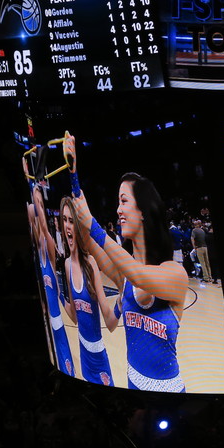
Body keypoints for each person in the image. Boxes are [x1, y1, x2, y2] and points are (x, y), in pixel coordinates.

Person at [64, 133, 188, 392]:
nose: (118, 210)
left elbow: (138, 275)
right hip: (132, 384)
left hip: (168, 394)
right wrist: (74, 178)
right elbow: (91, 245)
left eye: (123, 201)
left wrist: (94, 225)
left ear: (143, 211)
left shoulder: (175, 273)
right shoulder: (124, 278)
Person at [59, 196, 117, 386]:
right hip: (83, 352)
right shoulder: (66, 265)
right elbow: (74, 317)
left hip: (98, 355)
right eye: (64, 220)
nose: (68, 226)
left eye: (72, 221)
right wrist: (55, 295)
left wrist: (123, 302)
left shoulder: (91, 263)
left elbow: (109, 322)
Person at [24, 169, 75, 378]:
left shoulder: (49, 244)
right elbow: (30, 212)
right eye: (38, 205)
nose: (38, 208)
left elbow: (42, 227)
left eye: (41, 205)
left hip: (57, 323)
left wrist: (36, 196)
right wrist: (31, 186)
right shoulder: (35, 243)